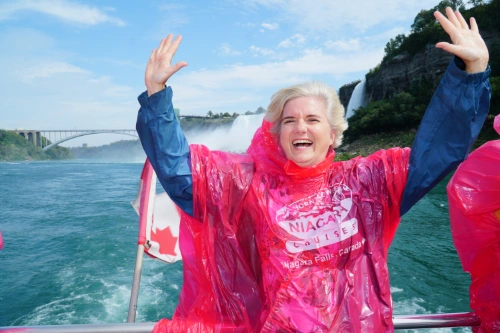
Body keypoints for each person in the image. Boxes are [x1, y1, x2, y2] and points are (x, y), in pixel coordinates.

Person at [137, 8, 491, 333]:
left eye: (312, 119)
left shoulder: (369, 182)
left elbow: (435, 154)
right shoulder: (249, 187)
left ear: (333, 132)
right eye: (289, 121)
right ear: (277, 135)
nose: (300, 128)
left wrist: (470, 76)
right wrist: (157, 95)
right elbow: (184, 176)